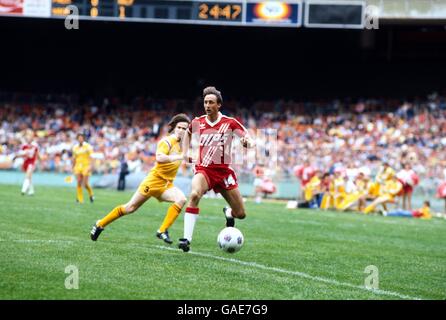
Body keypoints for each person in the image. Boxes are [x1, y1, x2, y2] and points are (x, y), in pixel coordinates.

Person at [90, 114, 191, 244]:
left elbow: (185, 158)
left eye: (185, 128)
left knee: (181, 199)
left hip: (167, 184)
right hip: (153, 181)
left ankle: (162, 230)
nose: (182, 131)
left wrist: (195, 161)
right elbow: (159, 158)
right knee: (130, 208)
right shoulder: (166, 141)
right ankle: (100, 224)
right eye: (179, 128)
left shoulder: (182, 144)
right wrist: (178, 157)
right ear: (174, 128)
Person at [178, 86, 255, 252]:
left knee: (241, 213)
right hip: (204, 170)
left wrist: (247, 143)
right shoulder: (198, 122)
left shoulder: (229, 123)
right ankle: (186, 239)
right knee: (194, 194)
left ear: (218, 105)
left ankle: (229, 213)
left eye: (211, 102)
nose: (207, 105)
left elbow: (248, 138)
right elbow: (187, 134)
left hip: (223, 173)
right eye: (205, 102)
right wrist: (185, 154)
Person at [14, 131, 39, 196]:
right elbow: (17, 137)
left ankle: (23, 190)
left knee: (27, 176)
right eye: (27, 136)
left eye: (29, 136)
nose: (28, 137)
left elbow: (32, 154)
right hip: (26, 162)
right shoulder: (24, 145)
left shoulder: (34, 145)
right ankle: (31, 191)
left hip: (31, 162)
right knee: (29, 177)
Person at [72, 133, 95, 203]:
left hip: (86, 166)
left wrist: (91, 166)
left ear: (83, 139)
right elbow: (74, 158)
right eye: (79, 138)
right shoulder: (75, 147)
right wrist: (73, 167)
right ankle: (80, 199)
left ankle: (91, 194)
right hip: (78, 166)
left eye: (81, 138)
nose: (80, 139)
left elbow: (92, 157)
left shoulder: (88, 146)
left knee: (85, 184)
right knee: (79, 182)